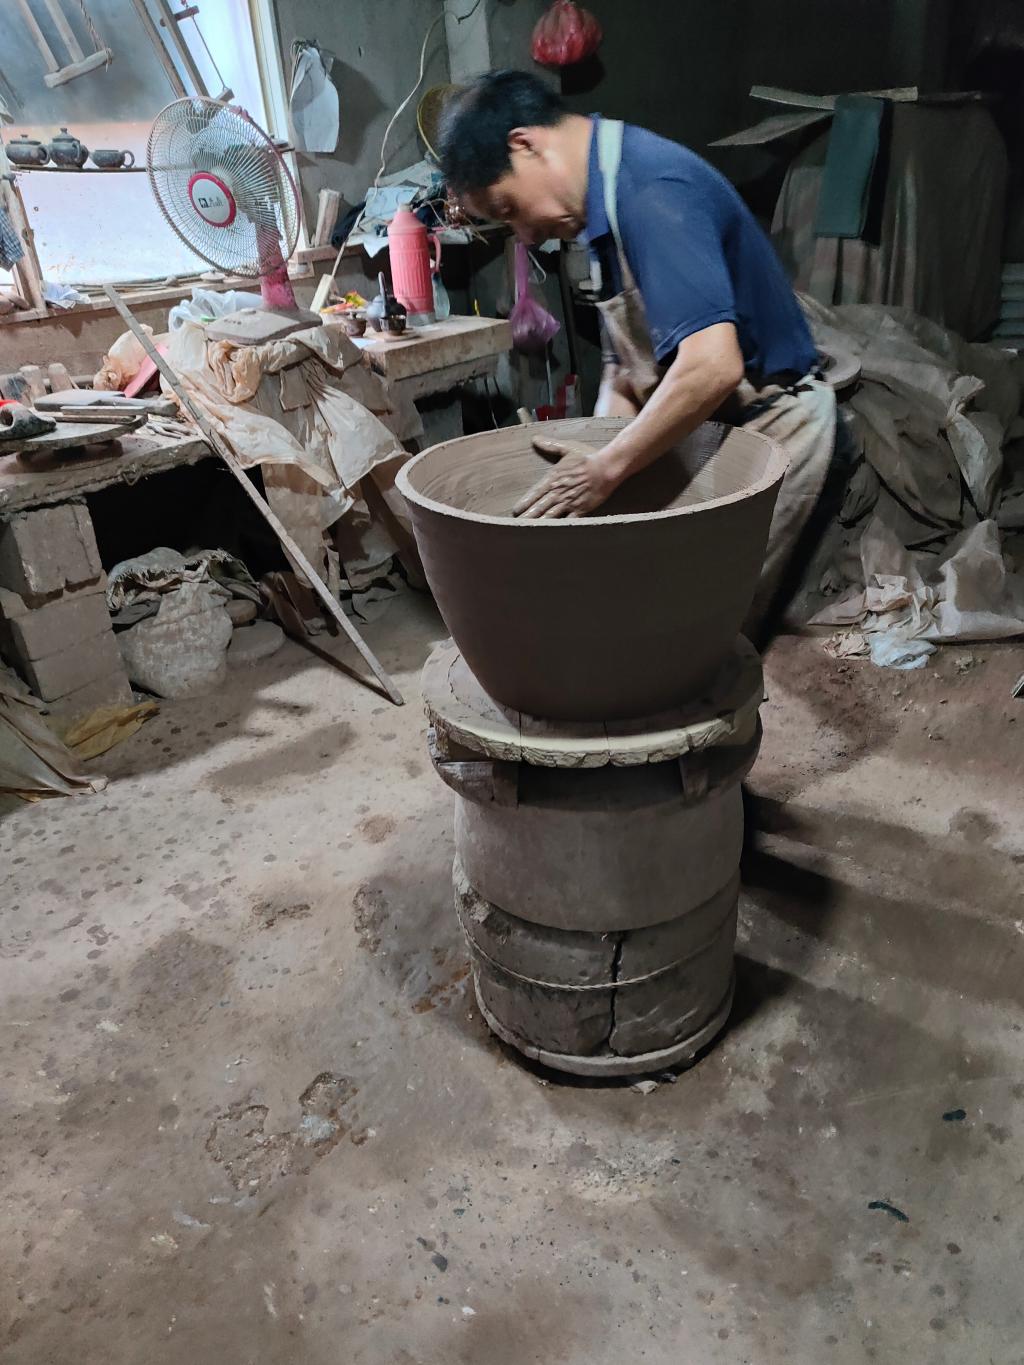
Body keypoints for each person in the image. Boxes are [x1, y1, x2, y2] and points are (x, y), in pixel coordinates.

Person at [438, 70, 837, 630]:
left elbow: (713, 365)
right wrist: (600, 454)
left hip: (770, 424)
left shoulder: (650, 191)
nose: (524, 235)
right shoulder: (598, 202)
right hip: (700, 422)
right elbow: (623, 371)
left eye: (508, 210)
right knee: (625, 594)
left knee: (690, 629)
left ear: (525, 144)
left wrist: (608, 468)